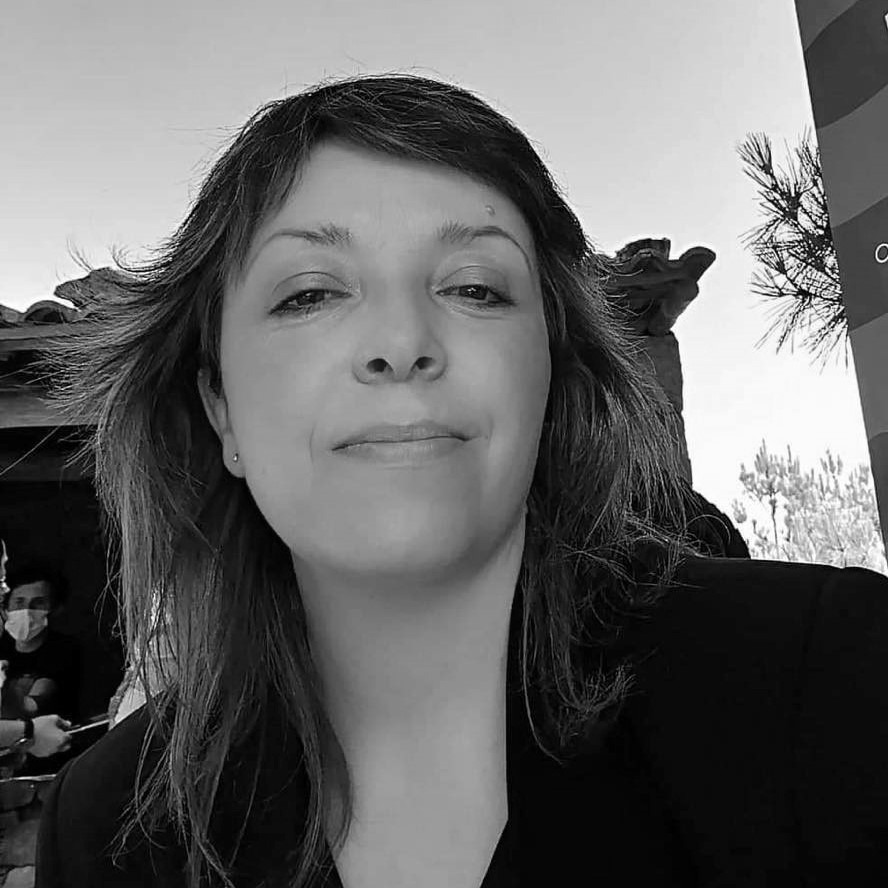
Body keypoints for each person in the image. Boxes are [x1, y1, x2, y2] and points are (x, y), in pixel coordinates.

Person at [34, 75, 888, 888]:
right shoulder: (108, 829)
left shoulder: (830, 684)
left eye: (475, 288)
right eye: (309, 294)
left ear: (552, 375)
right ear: (219, 409)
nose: (401, 342)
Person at [0, 562, 81, 724]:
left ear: (55, 609)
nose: (27, 611)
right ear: (5, 609)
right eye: (19, 602)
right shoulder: (2, 646)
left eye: (38, 603)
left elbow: (33, 705)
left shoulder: (64, 650)